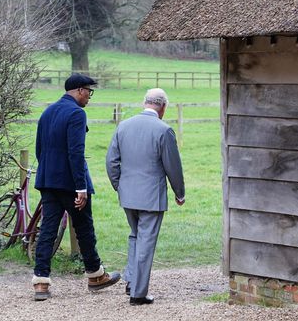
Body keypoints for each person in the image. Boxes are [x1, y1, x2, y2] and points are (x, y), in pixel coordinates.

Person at [31, 73, 120, 301]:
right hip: (71, 183)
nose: (90, 96)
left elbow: (39, 150)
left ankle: (41, 283)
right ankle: (95, 275)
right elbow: (76, 152)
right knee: (84, 229)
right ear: (79, 90)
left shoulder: (48, 112)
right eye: (89, 91)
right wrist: (80, 187)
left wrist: (50, 173)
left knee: (48, 230)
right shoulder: (77, 114)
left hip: (48, 180)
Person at [105, 88, 185, 306]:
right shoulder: (164, 130)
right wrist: (180, 193)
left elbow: (111, 161)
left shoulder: (124, 126)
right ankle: (138, 294)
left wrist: (119, 186)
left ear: (145, 103)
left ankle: (131, 280)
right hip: (151, 197)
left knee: (135, 236)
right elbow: (173, 166)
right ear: (163, 107)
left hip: (128, 195)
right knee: (146, 241)